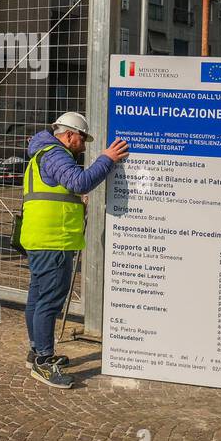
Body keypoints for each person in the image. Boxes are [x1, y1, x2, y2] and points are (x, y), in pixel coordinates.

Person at [20, 112, 129, 390]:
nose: (83, 145)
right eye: (82, 139)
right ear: (69, 135)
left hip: (39, 237)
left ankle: (37, 351)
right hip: (53, 239)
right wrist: (107, 159)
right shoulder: (56, 155)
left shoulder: (41, 153)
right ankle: (44, 363)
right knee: (50, 299)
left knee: (38, 295)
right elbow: (79, 182)